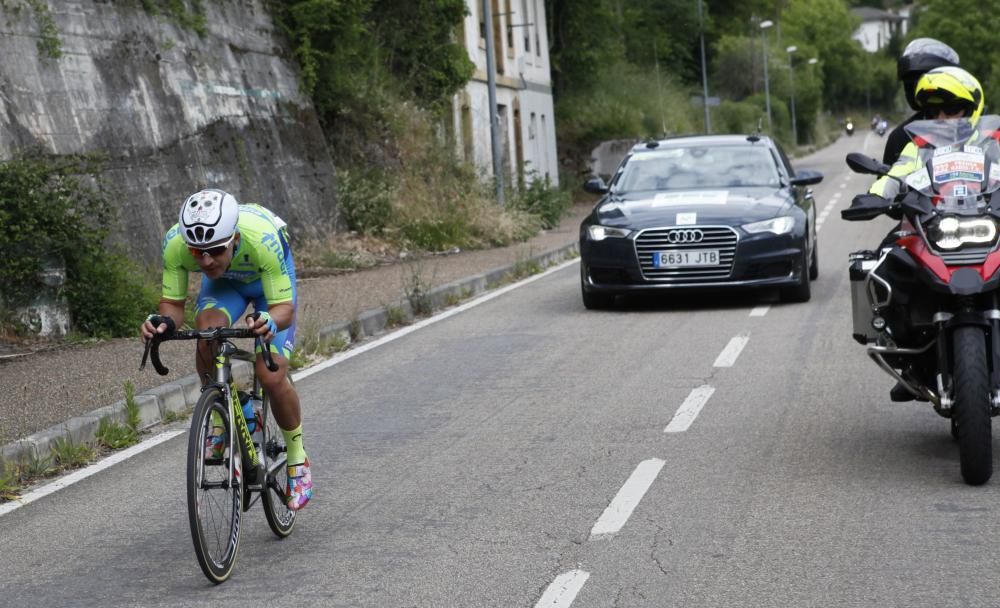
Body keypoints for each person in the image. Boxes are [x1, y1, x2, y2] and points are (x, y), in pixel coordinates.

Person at [140, 189, 312, 510]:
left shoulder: (261, 239)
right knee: (206, 331)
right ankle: (224, 412)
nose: (205, 261)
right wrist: (162, 323)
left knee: (271, 375)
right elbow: (173, 307)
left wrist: (268, 322)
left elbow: (283, 309)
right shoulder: (175, 243)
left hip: (270, 292)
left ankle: (298, 461)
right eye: (197, 252)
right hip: (225, 287)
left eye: (215, 250)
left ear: (233, 238)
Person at [866, 66, 985, 402]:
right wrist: (876, 195)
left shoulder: (992, 141)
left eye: (952, 109)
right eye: (935, 112)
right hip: (933, 225)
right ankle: (913, 359)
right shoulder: (918, 145)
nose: (944, 118)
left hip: (987, 221)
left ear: (972, 108)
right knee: (886, 265)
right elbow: (896, 175)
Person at [882, 38, 960, 166]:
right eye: (913, 84)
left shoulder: (984, 131)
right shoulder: (902, 136)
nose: (920, 90)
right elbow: (886, 181)